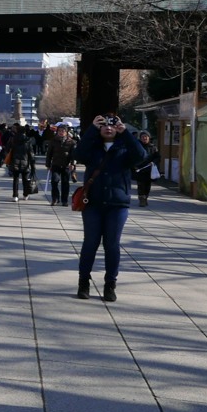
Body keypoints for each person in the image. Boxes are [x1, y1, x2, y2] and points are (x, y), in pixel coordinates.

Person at [74, 113, 147, 302]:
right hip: (93, 203)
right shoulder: (93, 147)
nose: (108, 128)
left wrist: (126, 134)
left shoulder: (124, 148)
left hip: (117, 204)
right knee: (90, 243)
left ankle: (110, 284)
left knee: (112, 245)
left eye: (113, 125)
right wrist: (91, 129)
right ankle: (84, 283)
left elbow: (141, 156)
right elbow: (78, 154)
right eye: (104, 125)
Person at [45, 122, 77, 206]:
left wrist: (72, 164)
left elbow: (74, 155)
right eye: (59, 131)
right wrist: (48, 164)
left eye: (63, 131)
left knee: (65, 183)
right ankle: (55, 199)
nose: (61, 132)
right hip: (55, 164)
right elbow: (49, 153)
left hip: (66, 165)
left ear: (66, 132)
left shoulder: (71, 142)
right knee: (54, 181)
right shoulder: (53, 141)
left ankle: (64, 200)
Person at [8, 124, 35, 202]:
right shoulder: (28, 140)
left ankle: (15, 195)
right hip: (25, 163)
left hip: (14, 162)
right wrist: (33, 165)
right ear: (25, 132)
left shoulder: (12, 140)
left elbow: (7, 150)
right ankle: (25, 194)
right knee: (25, 180)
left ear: (17, 131)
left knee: (15, 179)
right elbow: (31, 154)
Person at [134, 130, 160, 207]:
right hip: (140, 169)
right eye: (143, 137)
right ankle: (142, 199)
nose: (144, 138)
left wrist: (154, 162)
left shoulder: (153, 147)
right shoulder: (137, 146)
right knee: (141, 185)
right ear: (140, 138)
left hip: (149, 169)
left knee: (147, 186)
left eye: (146, 137)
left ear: (149, 138)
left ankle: (145, 198)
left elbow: (158, 157)